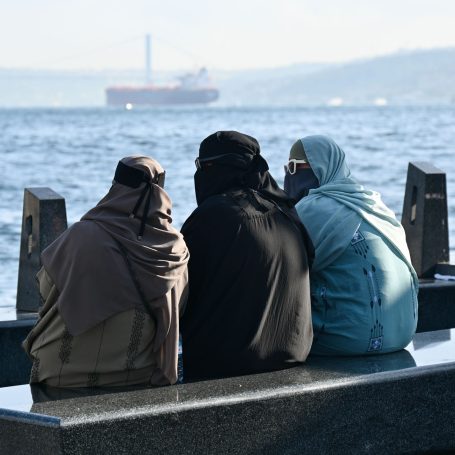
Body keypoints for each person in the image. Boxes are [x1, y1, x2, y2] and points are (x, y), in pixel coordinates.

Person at [23, 156, 189, 387]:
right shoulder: (176, 250)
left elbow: (44, 287)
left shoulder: (82, 236)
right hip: (137, 375)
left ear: (115, 184)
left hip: (62, 374)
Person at [180, 131, 314, 380]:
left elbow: (178, 295)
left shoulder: (211, 218)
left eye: (202, 166)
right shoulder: (286, 213)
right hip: (293, 355)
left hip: (228, 366)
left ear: (213, 167)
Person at [284, 135, 418, 355]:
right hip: (403, 334)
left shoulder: (311, 209)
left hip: (348, 341)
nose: (289, 175)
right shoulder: (375, 204)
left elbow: (284, 271)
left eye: (293, 167)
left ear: (322, 167)